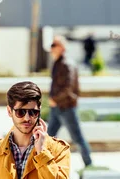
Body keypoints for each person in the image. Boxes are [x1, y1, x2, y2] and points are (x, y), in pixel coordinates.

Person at [47, 36, 93, 167]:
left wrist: (54, 99)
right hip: (57, 108)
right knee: (48, 138)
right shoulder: (57, 63)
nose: (51, 48)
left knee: (77, 137)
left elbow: (69, 87)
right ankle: (44, 165)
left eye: (54, 45)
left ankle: (89, 164)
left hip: (66, 107)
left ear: (62, 48)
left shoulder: (67, 65)